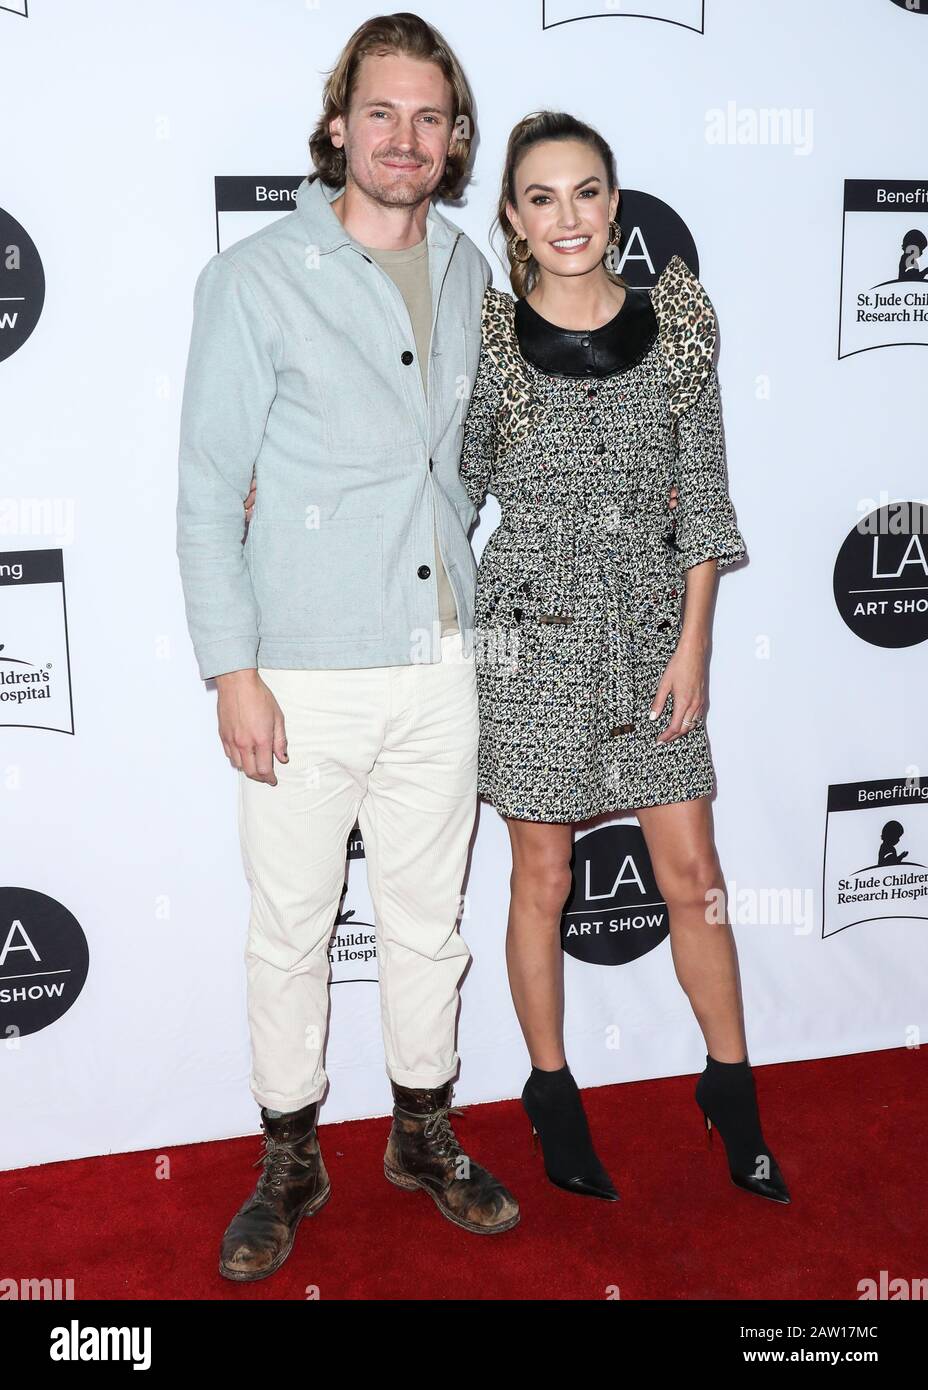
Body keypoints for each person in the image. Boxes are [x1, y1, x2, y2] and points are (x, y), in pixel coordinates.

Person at [176, 13, 521, 1283]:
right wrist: (234, 669)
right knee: (291, 929)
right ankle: (290, 1157)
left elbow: (466, 457)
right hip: (302, 672)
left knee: (430, 921)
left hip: (442, 659)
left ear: (454, 138)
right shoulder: (256, 276)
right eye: (382, 112)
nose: (405, 138)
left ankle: (422, 1133)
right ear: (338, 124)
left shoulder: (476, 270)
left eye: (430, 118)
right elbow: (209, 490)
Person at [458, 110, 791, 1205]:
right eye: (541, 196)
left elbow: (703, 494)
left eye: (587, 191)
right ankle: (551, 1092)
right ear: (511, 216)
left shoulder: (679, 321)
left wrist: (696, 643)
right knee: (541, 876)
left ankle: (731, 1090)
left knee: (693, 877)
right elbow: (448, 491)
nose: (568, 215)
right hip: (529, 639)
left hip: (656, 635)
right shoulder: (487, 341)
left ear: (615, 203)